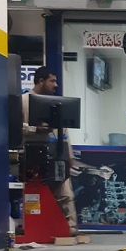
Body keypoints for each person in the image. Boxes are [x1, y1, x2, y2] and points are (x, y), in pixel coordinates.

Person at [22, 67, 77, 234]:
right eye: (52, 81)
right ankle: (35, 228)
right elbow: (14, 127)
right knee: (36, 193)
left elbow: (65, 133)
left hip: (57, 155)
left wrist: (69, 156)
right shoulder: (23, 101)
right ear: (41, 81)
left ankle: (70, 228)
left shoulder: (57, 104)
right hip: (32, 156)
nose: (56, 85)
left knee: (66, 193)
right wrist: (35, 130)